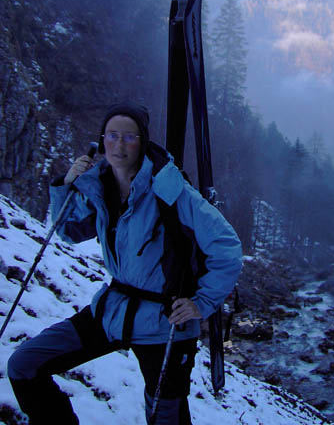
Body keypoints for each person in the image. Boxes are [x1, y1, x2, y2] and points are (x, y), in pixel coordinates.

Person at [7, 101, 242, 424]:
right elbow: (70, 231)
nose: (119, 144)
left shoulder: (169, 187)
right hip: (113, 311)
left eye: (129, 137)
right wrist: (66, 185)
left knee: (164, 416)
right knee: (24, 364)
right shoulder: (100, 184)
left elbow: (226, 246)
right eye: (112, 135)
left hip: (165, 322)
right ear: (101, 140)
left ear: (142, 142)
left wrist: (202, 302)